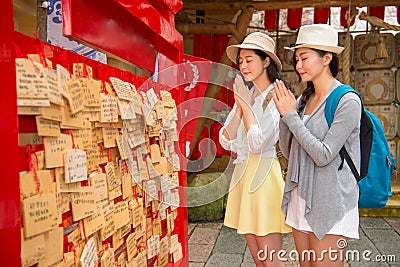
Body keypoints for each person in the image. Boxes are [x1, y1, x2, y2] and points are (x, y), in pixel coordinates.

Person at [272, 24, 360, 267]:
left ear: (326, 59)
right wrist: (284, 115)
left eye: (305, 58)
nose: (299, 65)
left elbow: (323, 155)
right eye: (297, 59)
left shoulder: (347, 100)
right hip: (303, 195)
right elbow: (292, 153)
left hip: (331, 199)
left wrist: (291, 117)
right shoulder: (304, 98)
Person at [219, 32, 291, 267]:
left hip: (264, 178)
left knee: (271, 261)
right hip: (243, 175)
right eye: (240, 61)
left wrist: (246, 107)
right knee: (258, 259)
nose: (243, 65)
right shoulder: (248, 94)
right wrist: (241, 106)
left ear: (266, 61)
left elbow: (258, 145)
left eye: (249, 59)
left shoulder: (277, 95)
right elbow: (225, 139)